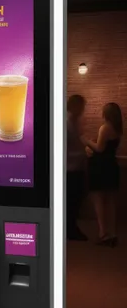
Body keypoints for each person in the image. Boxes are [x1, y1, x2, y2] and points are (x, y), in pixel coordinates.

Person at [83, 102, 123, 247]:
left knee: (99, 200)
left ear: (106, 113)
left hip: (100, 167)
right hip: (112, 166)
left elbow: (99, 149)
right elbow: (108, 148)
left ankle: (103, 233)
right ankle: (112, 234)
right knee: (111, 202)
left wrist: (87, 141)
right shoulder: (118, 129)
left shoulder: (105, 127)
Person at [66, 95, 88, 241]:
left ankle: (71, 229)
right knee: (72, 201)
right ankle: (70, 230)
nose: (83, 110)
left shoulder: (73, 121)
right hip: (70, 169)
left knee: (74, 201)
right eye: (81, 106)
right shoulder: (67, 122)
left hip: (74, 167)